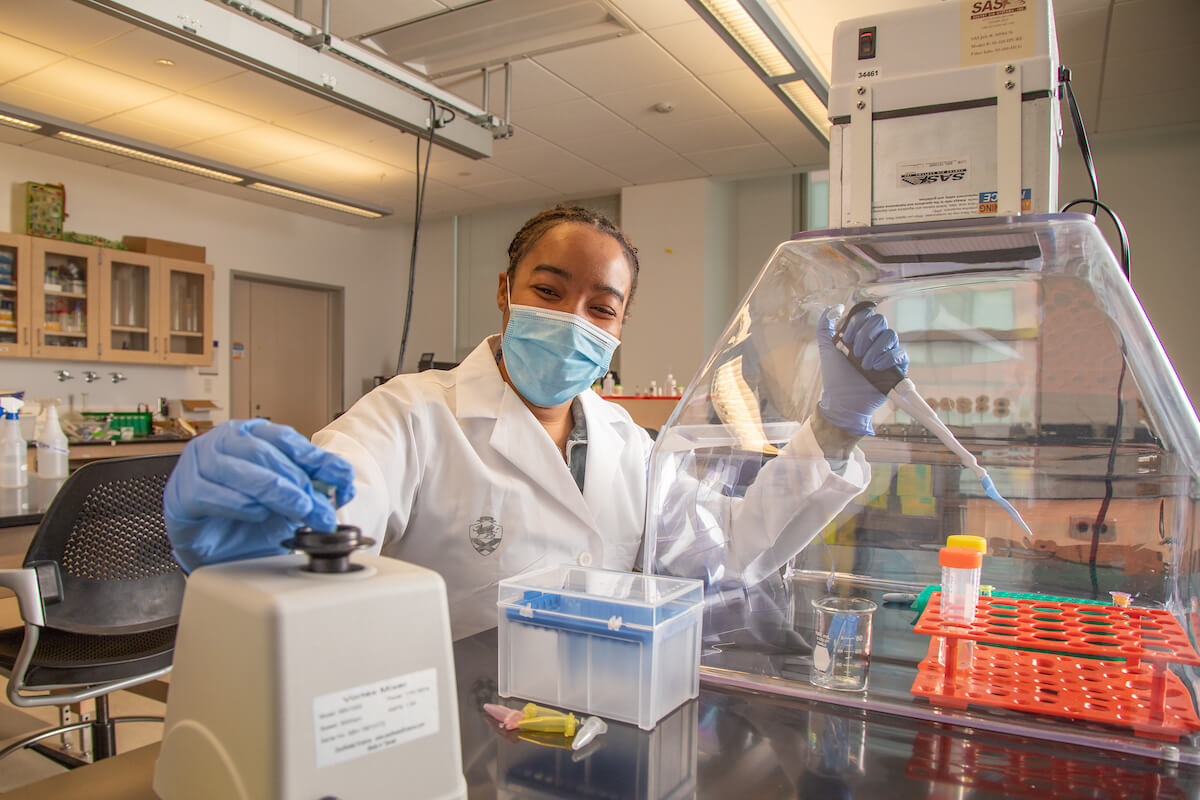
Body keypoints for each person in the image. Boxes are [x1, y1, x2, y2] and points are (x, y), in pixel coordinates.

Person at [164, 205, 908, 640]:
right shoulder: (410, 414)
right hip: (449, 725)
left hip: (598, 723)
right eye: (548, 290)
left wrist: (836, 423)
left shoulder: (623, 443)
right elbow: (339, 503)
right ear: (505, 290)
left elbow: (732, 548)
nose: (571, 319)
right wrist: (275, 531)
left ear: (621, 326)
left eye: (600, 307)